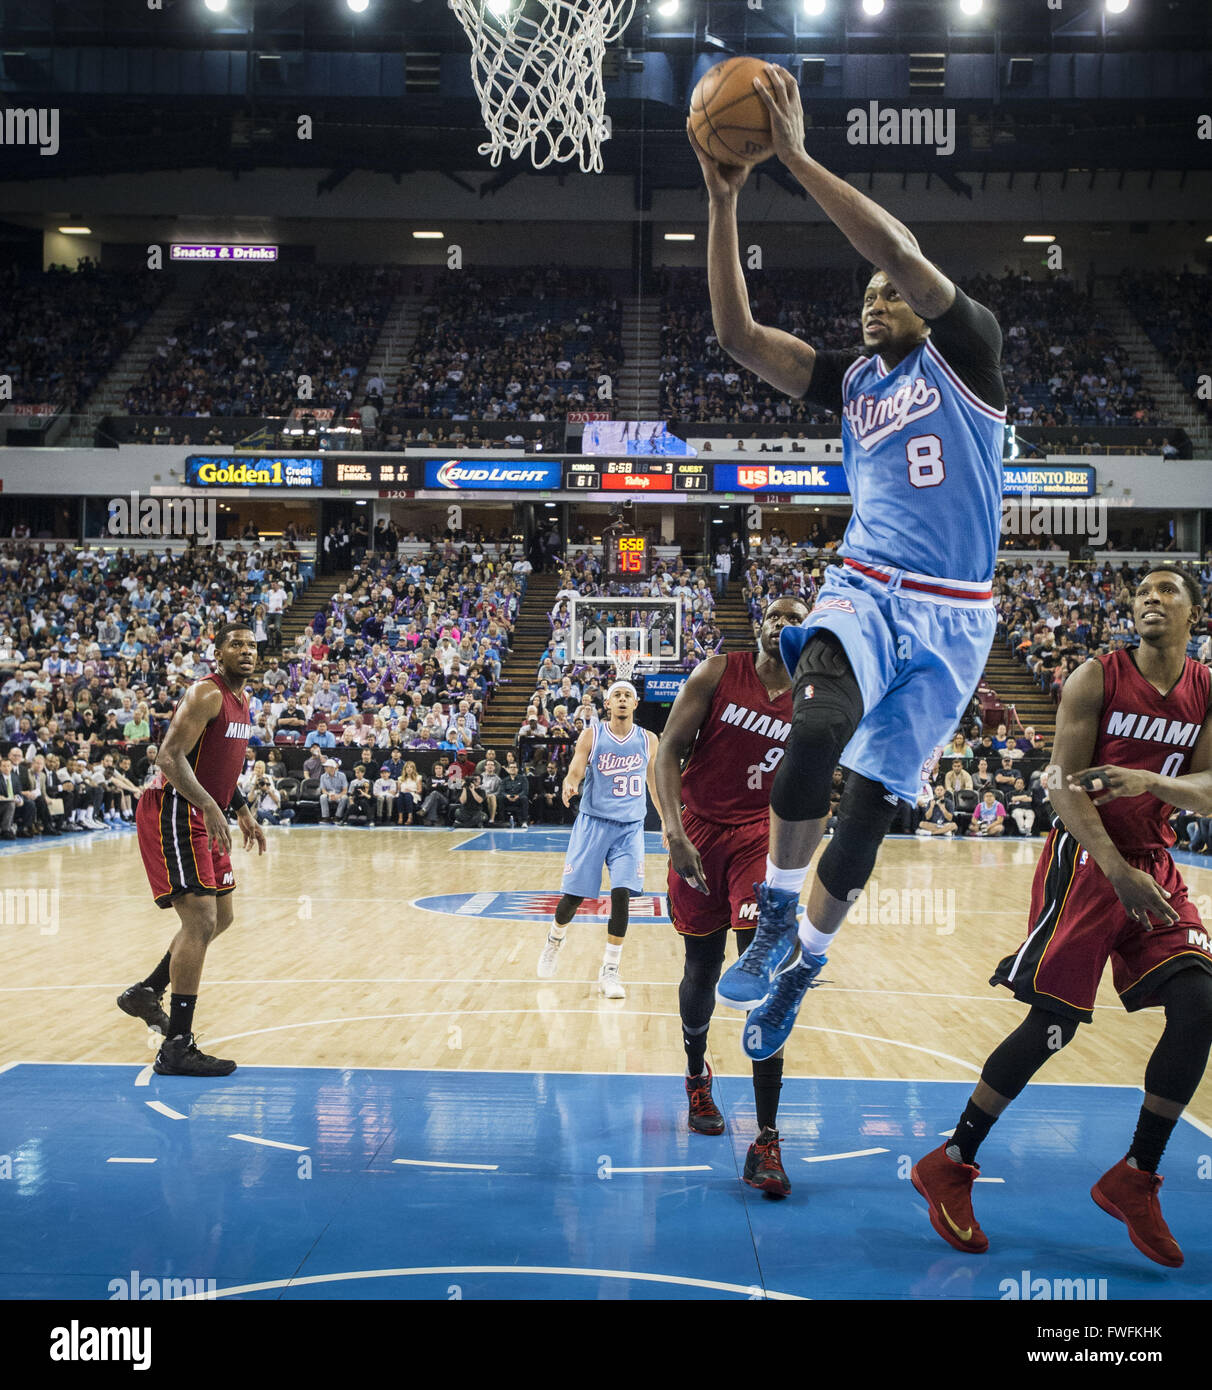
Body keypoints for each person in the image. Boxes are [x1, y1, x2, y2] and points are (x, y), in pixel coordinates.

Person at [693, 64, 1006, 1066]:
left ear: (922, 305)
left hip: (958, 614)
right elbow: (737, 337)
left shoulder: (970, 350)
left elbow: (900, 247)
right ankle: (776, 914)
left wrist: (792, 154)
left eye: (888, 294)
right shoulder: (852, 381)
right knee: (818, 725)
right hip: (867, 587)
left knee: (868, 820)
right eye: (864, 295)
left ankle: (800, 973)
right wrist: (722, 197)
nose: (873, 299)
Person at [912, 569, 1212, 1268]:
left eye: (1168, 589)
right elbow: (1062, 786)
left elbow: (1206, 791)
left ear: (1194, 611)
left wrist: (1150, 783)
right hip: (1086, 858)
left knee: (1201, 1002)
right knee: (1052, 1026)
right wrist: (1116, 871)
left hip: (1154, 860)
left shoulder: (1204, 689)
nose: (1150, 598)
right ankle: (952, 1161)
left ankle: (1137, 1174)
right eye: (1142, 590)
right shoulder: (1095, 678)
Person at [656, 596, 809, 1198]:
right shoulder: (717, 672)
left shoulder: (815, 698)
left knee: (762, 974)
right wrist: (671, 831)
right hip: (697, 826)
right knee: (701, 964)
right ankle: (697, 1075)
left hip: (759, 838)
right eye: (772, 615)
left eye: (794, 618)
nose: (780, 625)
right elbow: (668, 750)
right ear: (758, 626)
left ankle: (767, 1138)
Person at [118, 623, 266, 1076]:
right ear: (217, 652)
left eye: (251, 645)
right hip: (177, 810)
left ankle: (147, 991)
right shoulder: (208, 693)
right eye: (236, 644)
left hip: (207, 812)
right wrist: (209, 804)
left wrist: (240, 806)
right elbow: (168, 756)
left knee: (222, 917)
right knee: (200, 919)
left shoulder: (244, 700)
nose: (245, 651)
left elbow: (219, 762)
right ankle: (177, 1046)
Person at [537, 681, 662, 1000]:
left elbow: (654, 782)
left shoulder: (649, 739)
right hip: (593, 823)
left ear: (636, 703)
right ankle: (554, 939)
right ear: (608, 703)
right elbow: (576, 769)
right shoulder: (593, 734)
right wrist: (569, 783)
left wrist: (668, 823)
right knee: (572, 900)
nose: (622, 700)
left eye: (627, 696)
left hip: (629, 828)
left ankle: (610, 969)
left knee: (622, 894)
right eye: (617, 696)